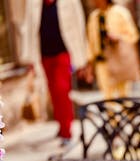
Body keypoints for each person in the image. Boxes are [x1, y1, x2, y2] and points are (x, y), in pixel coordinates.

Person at [22, 0, 90, 146]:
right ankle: (61, 125)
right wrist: (29, 59)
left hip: (63, 52)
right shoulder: (33, 3)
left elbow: (79, 24)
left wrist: (82, 59)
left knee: (61, 89)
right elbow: (28, 28)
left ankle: (67, 131)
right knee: (53, 92)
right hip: (44, 54)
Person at [87, 0, 140, 99]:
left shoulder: (120, 13)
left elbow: (133, 36)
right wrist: (90, 66)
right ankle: (111, 114)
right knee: (107, 95)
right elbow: (91, 42)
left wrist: (118, 38)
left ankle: (124, 113)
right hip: (101, 61)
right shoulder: (94, 17)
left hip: (118, 60)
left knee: (123, 95)